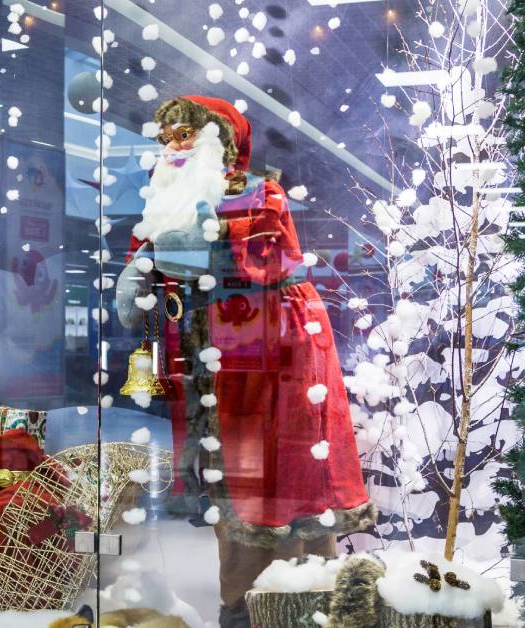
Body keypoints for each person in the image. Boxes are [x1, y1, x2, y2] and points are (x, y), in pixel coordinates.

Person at [116, 95, 375, 627]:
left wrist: (157, 254)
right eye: (166, 138)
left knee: (280, 478)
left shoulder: (260, 192)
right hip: (216, 360)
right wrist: (141, 265)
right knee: (235, 485)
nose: (174, 146)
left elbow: (256, 260)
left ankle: (294, 602)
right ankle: (253, 607)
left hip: (273, 353)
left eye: (186, 133)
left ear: (220, 139)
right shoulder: (169, 200)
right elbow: (160, 254)